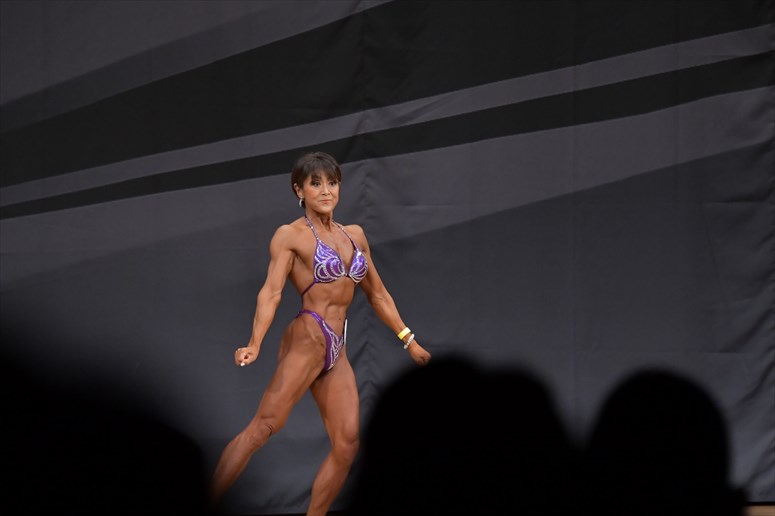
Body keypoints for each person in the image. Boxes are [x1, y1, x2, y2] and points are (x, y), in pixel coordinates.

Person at [209, 151, 431, 515]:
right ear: (300, 190)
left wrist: (409, 340)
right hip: (308, 336)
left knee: (347, 446)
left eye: (332, 183)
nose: (326, 191)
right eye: (316, 184)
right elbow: (271, 292)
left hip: (337, 348)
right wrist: (254, 343)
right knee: (263, 428)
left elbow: (377, 294)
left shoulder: (354, 235)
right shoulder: (290, 236)